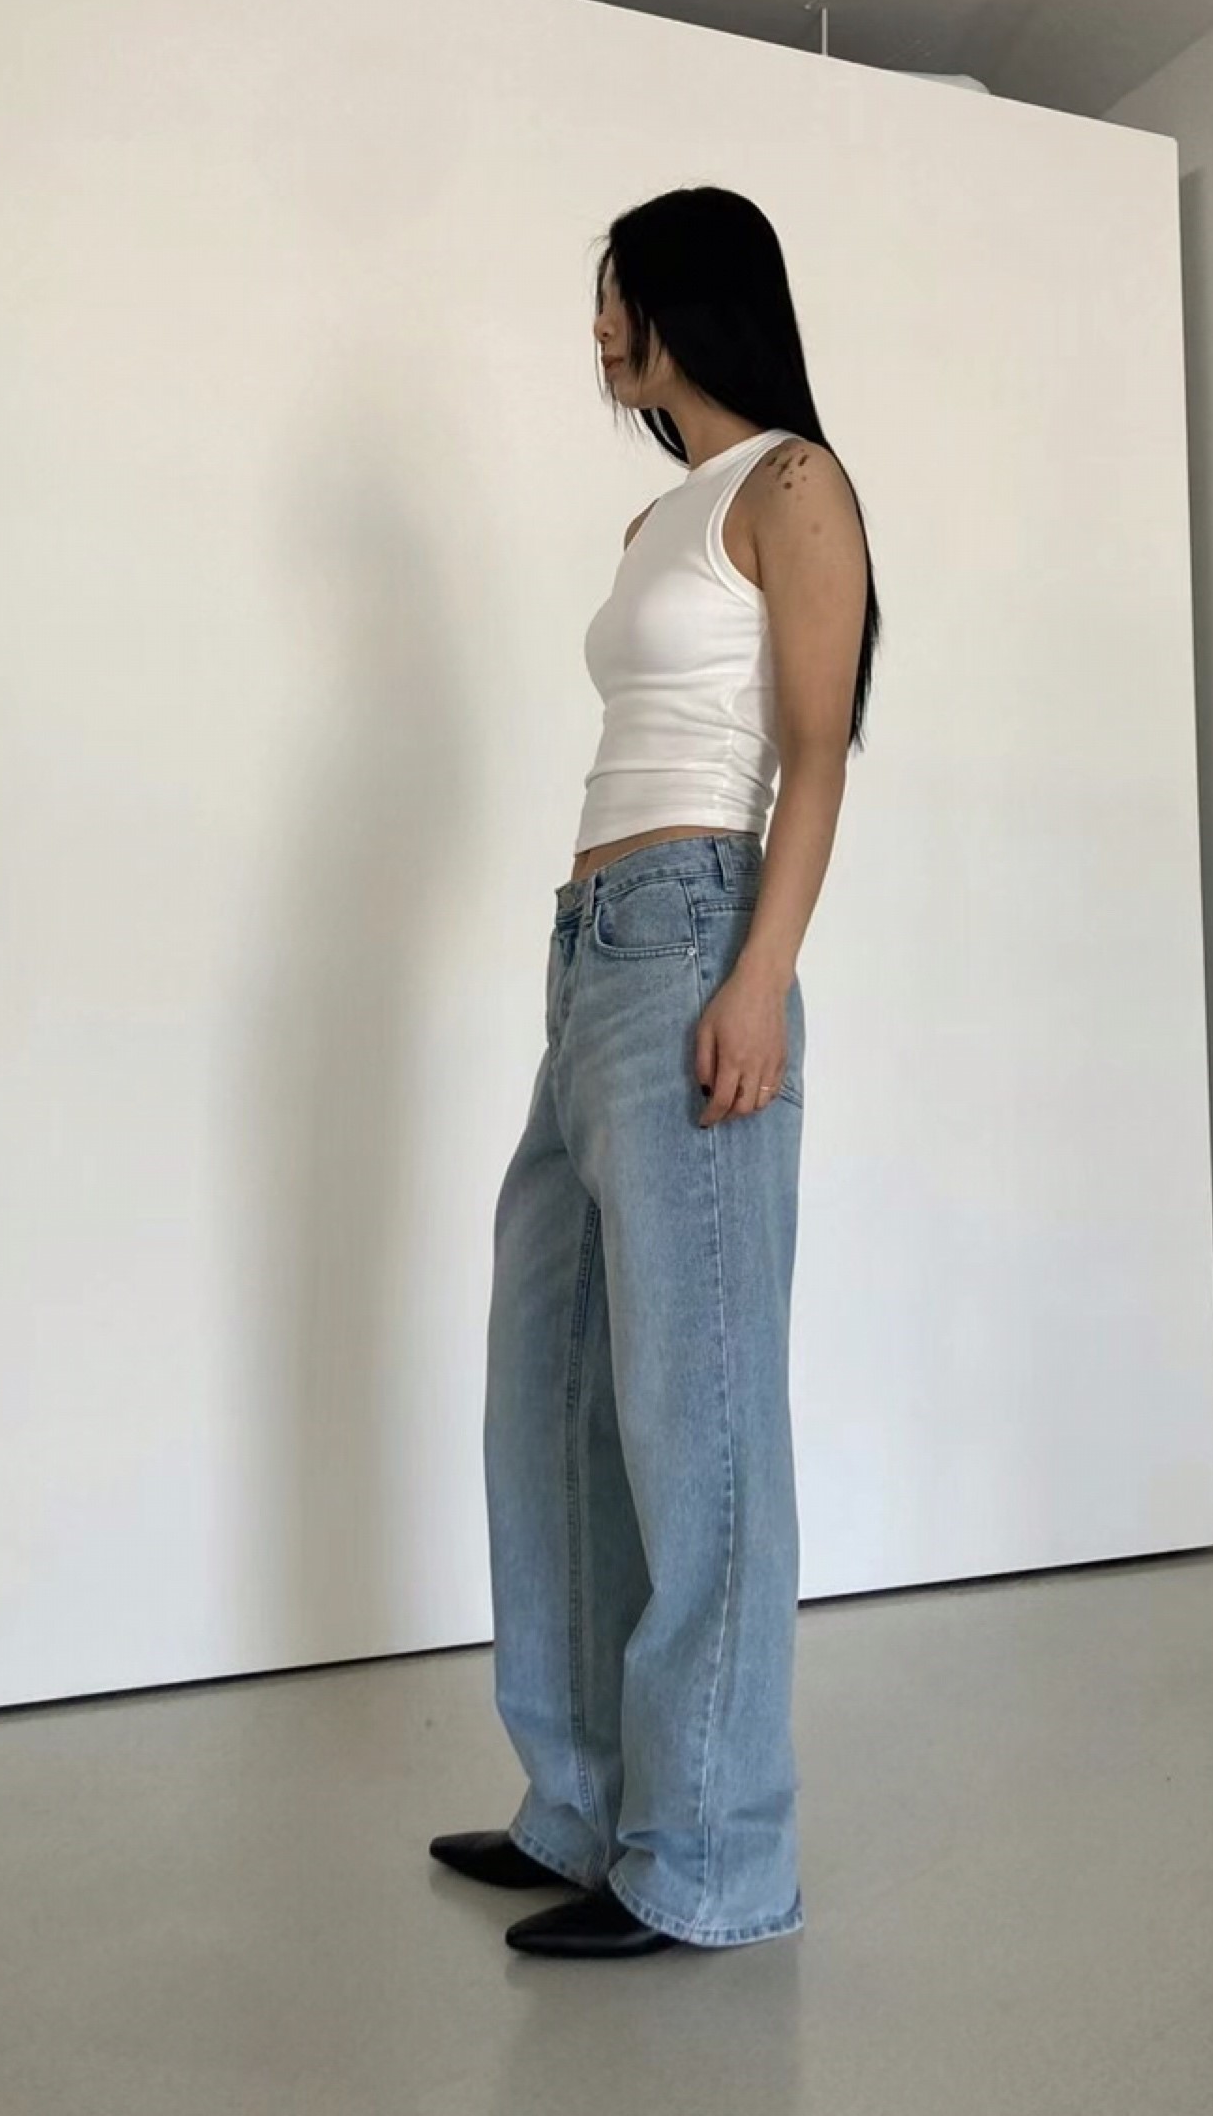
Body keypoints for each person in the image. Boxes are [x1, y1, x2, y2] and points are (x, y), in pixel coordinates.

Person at [431, 185, 879, 1957]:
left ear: (691, 300)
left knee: (700, 1424)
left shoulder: (795, 484)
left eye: (617, 296)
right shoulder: (658, 513)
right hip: (590, 958)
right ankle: (584, 1807)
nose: (600, 330)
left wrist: (759, 976)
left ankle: (709, 1859)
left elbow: (817, 756)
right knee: (548, 1397)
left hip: (698, 937)